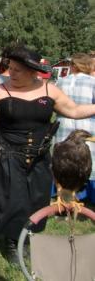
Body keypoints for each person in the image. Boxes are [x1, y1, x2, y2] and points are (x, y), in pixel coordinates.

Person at [0, 44, 95, 265]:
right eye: (10, 68)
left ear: (33, 71)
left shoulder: (49, 89)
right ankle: (12, 244)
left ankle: (26, 238)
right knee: (14, 202)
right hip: (8, 156)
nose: (11, 73)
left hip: (39, 158)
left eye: (17, 70)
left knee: (36, 200)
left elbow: (74, 110)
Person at [55, 53, 95, 201]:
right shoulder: (93, 82)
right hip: (87, 128)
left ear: (74, 65)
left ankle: (60, 194)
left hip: (63, 127)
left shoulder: (61, 82)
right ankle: (86, 194)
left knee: (61, 162)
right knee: (87, 162)